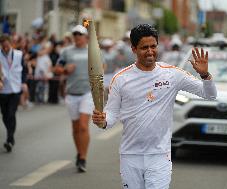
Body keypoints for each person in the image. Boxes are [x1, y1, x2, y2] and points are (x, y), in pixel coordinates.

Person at [92, 24, 217, 189]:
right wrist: (102, 120)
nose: (150, 51)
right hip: (130, 155)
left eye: (153, 46)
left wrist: (205, 75)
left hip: (159, 155)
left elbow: (210, 95)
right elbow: (112, 114)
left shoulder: (172, 74)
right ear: (134, 49)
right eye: (144, 47)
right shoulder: (121, 79)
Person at [54, 25, 93, 172]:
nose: (77, 37)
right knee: (76, 128)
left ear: (85, 37)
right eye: (75, 34)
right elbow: (56, 68)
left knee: (83, 126)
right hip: (71, 93)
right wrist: (64, 70)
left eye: (80, 34)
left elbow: (101, 66)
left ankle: (83, 157)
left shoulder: (92, 51)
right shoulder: (66, 52)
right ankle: (79, 152)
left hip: (87, 93)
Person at [0, 34, 27, 152]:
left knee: (11, 113)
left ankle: (10, 139)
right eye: (3, 46)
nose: (5, 48)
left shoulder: (18, 54)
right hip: (3, 89)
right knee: (5, 115)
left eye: (7, 46)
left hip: (15, 89)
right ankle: (10, 135)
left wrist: (24, 82)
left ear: (11, 43)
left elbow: (24, 70)